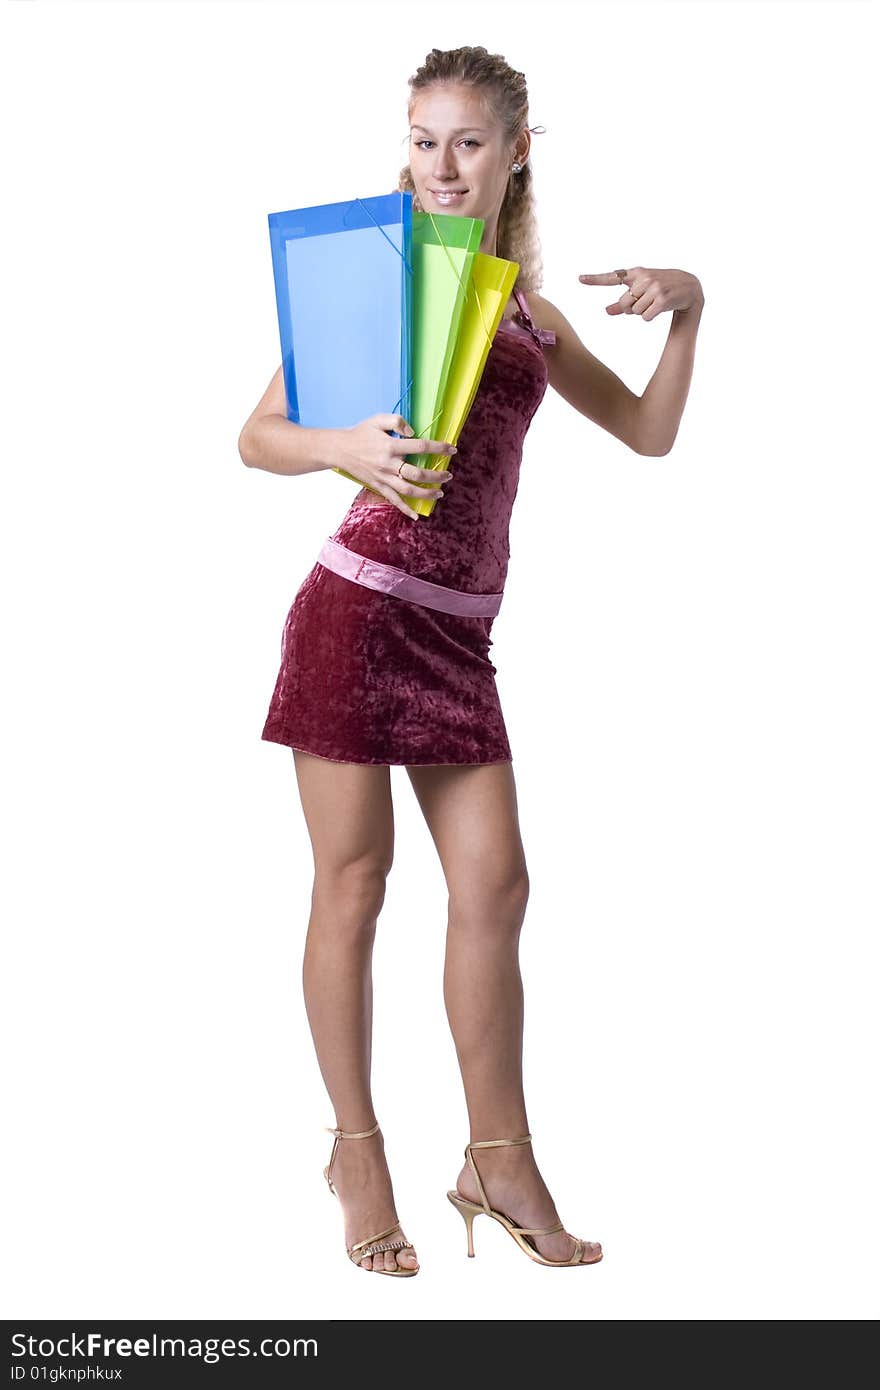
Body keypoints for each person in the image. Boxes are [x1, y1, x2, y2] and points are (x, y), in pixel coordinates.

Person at [239, 45, 704, 1276]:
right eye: (422, 138)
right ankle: (357, 1153)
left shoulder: (534, 317)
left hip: (456, 637)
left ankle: (495, 1158)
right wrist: (345, 443)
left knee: (494, 888)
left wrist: (693, 303)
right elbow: (257, 432)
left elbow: (650, 436)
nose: (440, 165)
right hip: (354, 611)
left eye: (466, 142)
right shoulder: (384, 277)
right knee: (355, 884)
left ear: (516, 151)